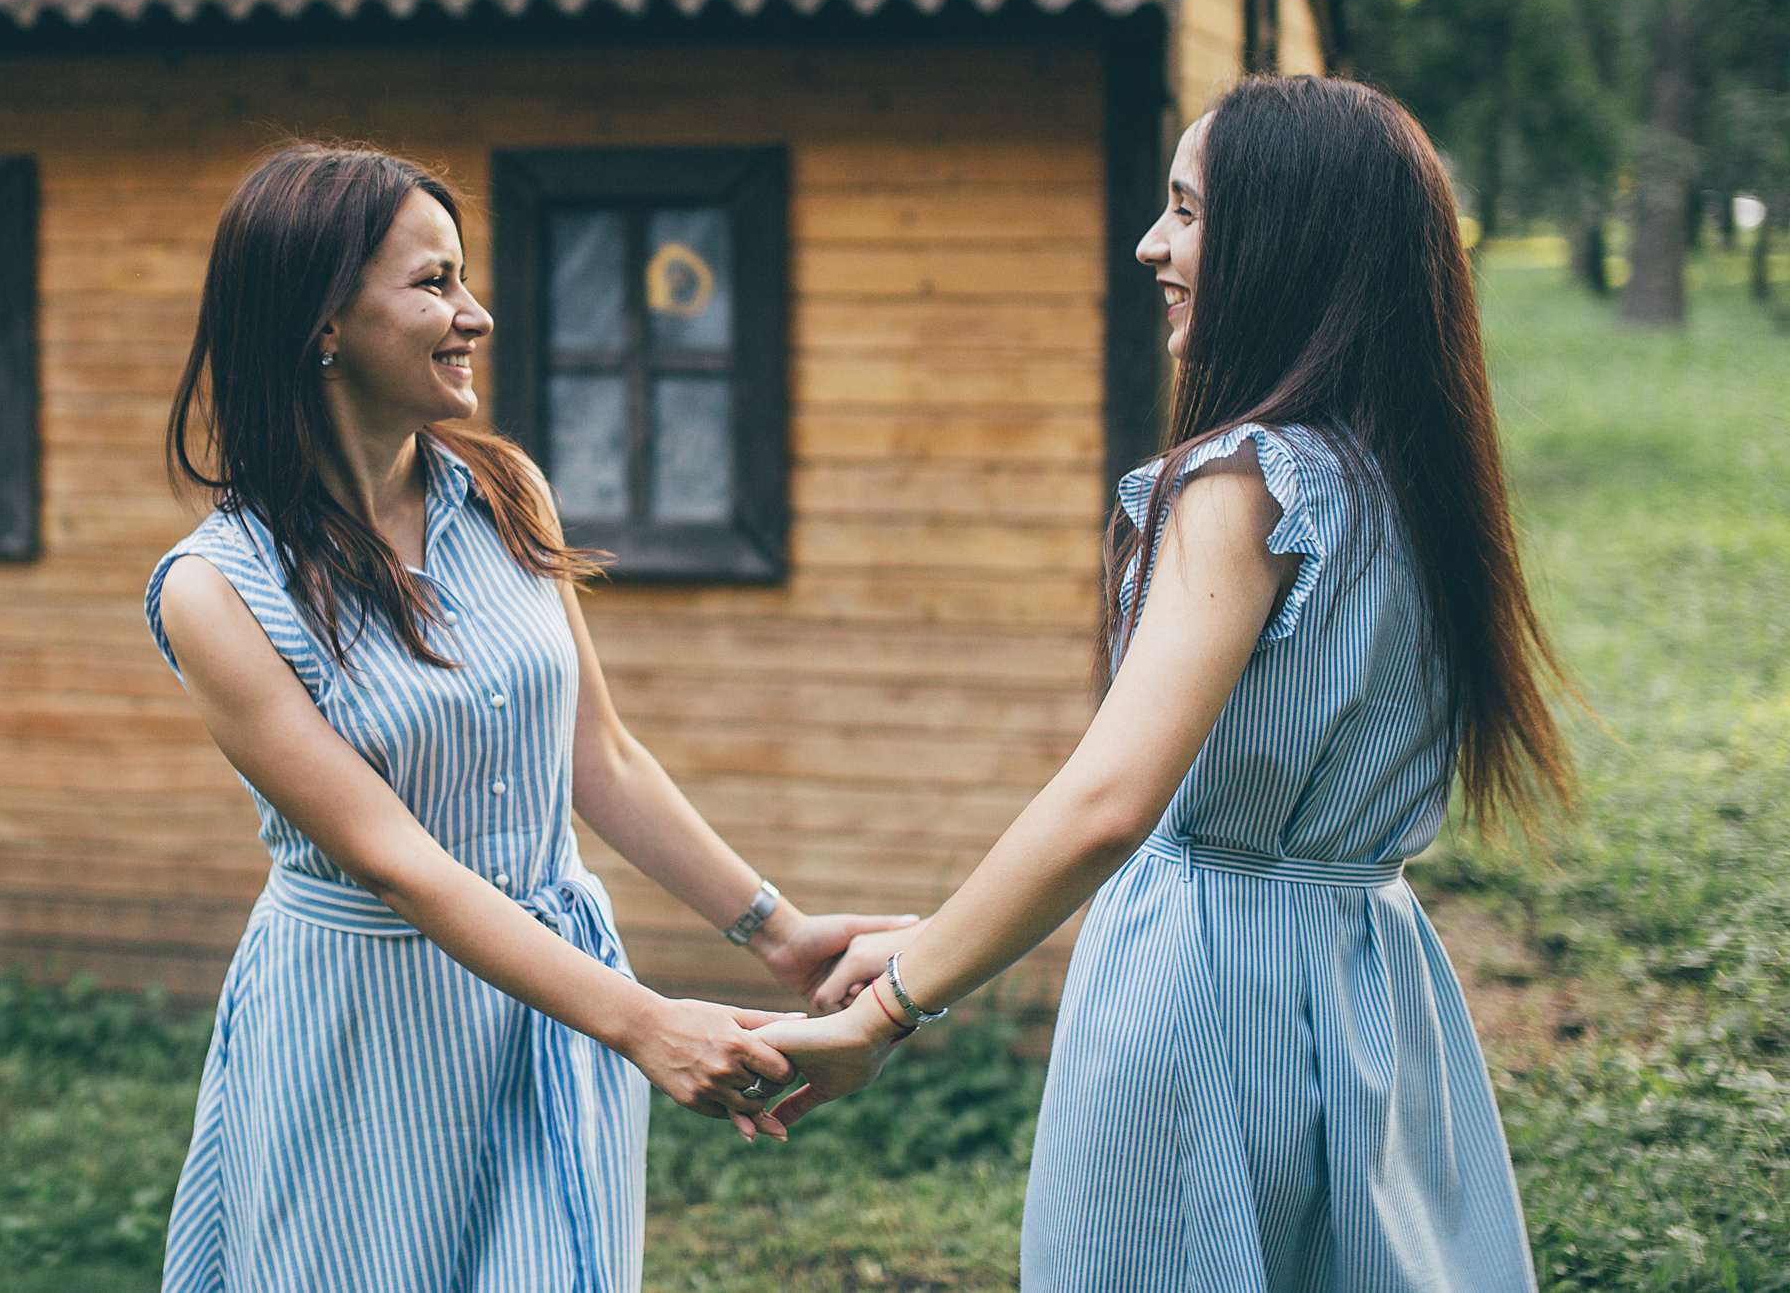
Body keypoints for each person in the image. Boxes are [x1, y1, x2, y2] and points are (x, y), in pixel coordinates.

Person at [765, 75, 1574, 1291]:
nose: (1153, 244)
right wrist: (934, 937)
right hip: (1371, 992)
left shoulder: (1243, 484)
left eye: (1188, 211)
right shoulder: (1409, 490)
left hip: (1194, 1004)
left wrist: (883, 1019)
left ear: (1285, 240)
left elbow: (1110, 806)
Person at [146, 142, 911, 1293]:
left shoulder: (503, 493)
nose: (476, 315)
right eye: (434, 283)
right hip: (366, 1024)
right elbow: (399, 864)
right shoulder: (216, 591)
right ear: (323, 323)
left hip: (558, 1005)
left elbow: (595, 756)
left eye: (464, 280)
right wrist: (643, 1022)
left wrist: (775, 931)